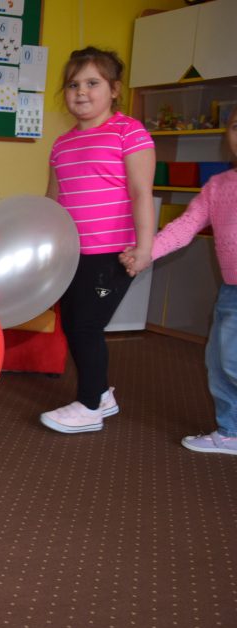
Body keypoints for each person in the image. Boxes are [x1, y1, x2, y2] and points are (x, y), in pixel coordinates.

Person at [40, 46, 156, 434]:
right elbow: (53, 199)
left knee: (86, 325)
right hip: (73, 254)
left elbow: (140, 192)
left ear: (115, 90)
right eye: (73, 85)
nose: (81, 92)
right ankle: (102, 394)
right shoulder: (61, 144)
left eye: (93, 83)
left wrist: (145, 247)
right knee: (74, 322)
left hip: (111, 256)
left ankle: (90, 407)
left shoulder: (129, 132)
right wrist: (47, 246)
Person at [120, 107, 237, 455]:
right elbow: (185, 227)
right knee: (218, 363)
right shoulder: (218, 186)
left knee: (232, 360)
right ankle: (231, 432)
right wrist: (147, 252)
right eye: (236, 126)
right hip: (230, 291)